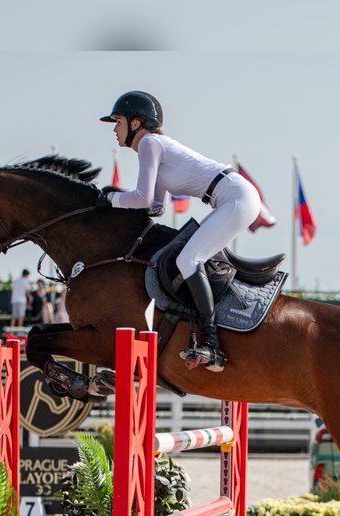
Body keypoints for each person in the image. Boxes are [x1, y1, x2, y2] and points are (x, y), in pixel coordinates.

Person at [97, 90, 261, 373]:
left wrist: (110, 198)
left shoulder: (150, 143)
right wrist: (120, 204)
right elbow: (156, 206)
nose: (114, 128)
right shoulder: (151, 148)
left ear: (136, 123)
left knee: (187, 260)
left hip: (236, 196)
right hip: (231, 196)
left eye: (118, 121)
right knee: (188, 257)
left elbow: (143, 199)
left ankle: (211, 343)